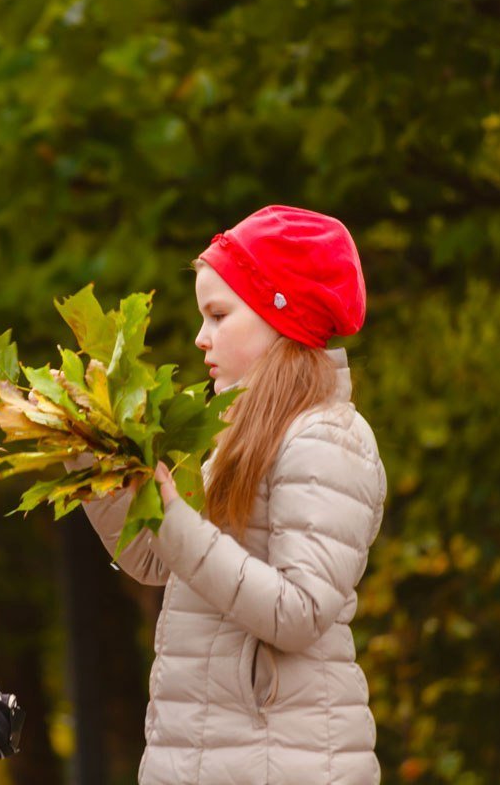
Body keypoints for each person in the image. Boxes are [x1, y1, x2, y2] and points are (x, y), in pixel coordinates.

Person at [80, 205, 387, 784]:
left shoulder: (325, 437)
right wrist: (95, 462)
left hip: (282, 763)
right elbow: (156, 559)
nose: (201, 337)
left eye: (219, 315)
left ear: (281, 317)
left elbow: (299, 612)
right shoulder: (229, 432)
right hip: (201, 756)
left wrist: (173, 513)